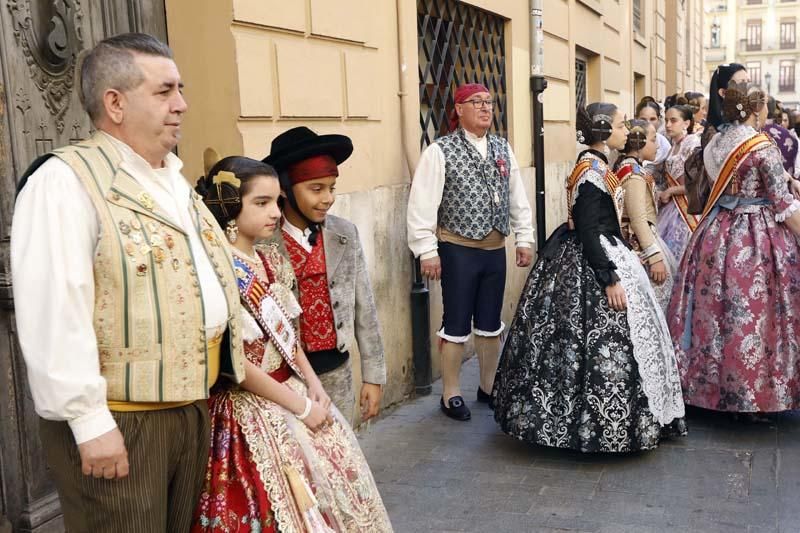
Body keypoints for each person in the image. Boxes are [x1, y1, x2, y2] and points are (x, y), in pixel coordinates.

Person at [10, 33, 246, 532]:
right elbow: (56, 309)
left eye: (180, 89)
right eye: (164, 92)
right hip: (121, 417)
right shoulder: (65, 180)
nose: (181, 104)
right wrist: (89, 422)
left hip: (190, 407)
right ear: (114, 103)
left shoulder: (172, 181)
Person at [193, 155, 392, 532]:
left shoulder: (270, 261)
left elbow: (290, 335)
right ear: (231, 207)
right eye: (261, 203)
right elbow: (236, 363)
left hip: (294, 387)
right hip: (248, 406)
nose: (274, 212)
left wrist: (314, 388)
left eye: (276, 201)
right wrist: (300, 407)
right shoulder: (216, 270)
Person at [492, 102, 686, 453]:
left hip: (602, 251)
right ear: (601, 130)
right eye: (618, 126)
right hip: (591, 260)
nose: (626, 132)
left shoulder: (599, 166)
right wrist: (609, 277)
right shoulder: (590, 172)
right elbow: (587, 230)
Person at [669, 82, 800, 415]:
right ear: (756, 110)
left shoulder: (714, 143)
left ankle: (707, 389)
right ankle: (752, 393)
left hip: (715, 232)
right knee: (756, 312)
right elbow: (782, 203)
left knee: (713, 313)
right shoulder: (762, 145)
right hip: (756, 237)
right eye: (765, 108)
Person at [407, 82, 534, 421]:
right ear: (459, 109)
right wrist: (426, 250)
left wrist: (524, 239)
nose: (485, 108)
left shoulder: (503, 148)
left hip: (494, 250)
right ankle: (450, 393)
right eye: (475, 102)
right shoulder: (440, 151)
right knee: (456, 322)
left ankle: (488, 386)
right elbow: (422, 204)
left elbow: (517, 199)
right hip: (457, 250)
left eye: (489, 102)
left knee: (491, 322)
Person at [261, 127, 386, 424]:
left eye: (331, 187)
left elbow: (364, 309)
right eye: (316, 189)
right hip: (284, 380)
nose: (328, 198)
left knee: (340, 454)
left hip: (337, 372)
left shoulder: (344, 234)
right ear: (285, 187)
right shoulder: (262, 243)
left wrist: (373, 375)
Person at [615, 119, 676, 312]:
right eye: (653, 139)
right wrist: (654, 256)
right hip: (639, 246)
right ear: (639, 143)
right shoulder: (633, 174)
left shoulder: (635, 169)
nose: (657, 144)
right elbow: (638, 218)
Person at [655, 104, 701, 261]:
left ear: (686, 123)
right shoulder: (673, 145)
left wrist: (671, 191)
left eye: (673, 120)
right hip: (671, 207)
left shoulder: (693, 143)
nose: (668, 125)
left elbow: (698, 181)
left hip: (687, 207)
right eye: (666, 120)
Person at [637, 97, 671, 166]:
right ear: (636, 118)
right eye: (643, 119)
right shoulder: (628, 142)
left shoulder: (664, 145)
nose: (648, 123)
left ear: (658, 120)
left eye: (652, 119)